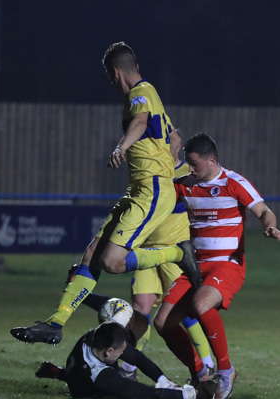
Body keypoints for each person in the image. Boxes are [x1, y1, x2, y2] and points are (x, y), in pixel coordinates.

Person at [10, 41, 200, 345]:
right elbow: (174, 138)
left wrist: (122, 147)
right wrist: (167, 157)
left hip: (151, 190)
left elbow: (139, 122)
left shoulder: (141, 92)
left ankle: (180, 253)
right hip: (139, 189)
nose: (111, 83)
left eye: (109, 78)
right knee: (93, 255)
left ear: (114, 72)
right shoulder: (152, 98)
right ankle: (55, 323)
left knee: (113, 262)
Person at [154, 132, 280, 399]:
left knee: (200, 306)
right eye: (188, 164)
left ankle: (225, 370)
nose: (190, 169)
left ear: (211, 161)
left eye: (194, 164)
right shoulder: (185, 186)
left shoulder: (234, 182)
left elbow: (263, 211)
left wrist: (269, 226)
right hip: (196, 268)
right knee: (163, 322)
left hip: (228, 265)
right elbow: (157, 203)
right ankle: (200, 373)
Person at [121, 132, 216, 382]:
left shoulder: (189, 174)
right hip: (146, 253)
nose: (160, 144)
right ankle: (129, 369)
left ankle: (206, 366)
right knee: (140, 309)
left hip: (176, 254)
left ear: (176, 144)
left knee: (183, 312)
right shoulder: (150, 172)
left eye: (167, 140)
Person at [35, 313, 198, 399]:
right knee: (119, 394)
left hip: (77, 368)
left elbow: (137, 358)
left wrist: (163, 380)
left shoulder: (96, 336)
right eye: (119, 352)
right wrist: (184, 395)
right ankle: (58, 372)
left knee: (80, 374)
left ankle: (57, 371)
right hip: (84, 387)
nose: (122, 355)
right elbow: (142, 392)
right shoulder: (100, 375)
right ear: (109, 351)